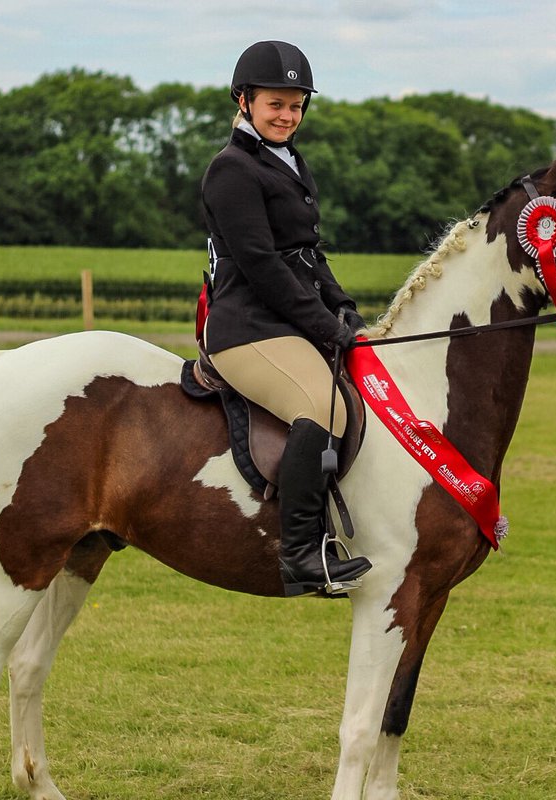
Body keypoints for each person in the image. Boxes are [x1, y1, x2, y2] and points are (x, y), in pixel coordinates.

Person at [198, 40, 372, 597]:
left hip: (284, 322)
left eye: (296, 106)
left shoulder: (291, 162)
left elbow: (306, 253)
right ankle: (301, 553)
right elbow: (263, 267)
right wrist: (324, 327)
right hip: (246, 326)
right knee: (322, 406)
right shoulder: (231, 170)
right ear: (244, 101)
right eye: (276, 104)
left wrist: (341, 303)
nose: (287, 116)